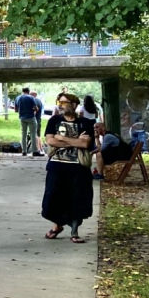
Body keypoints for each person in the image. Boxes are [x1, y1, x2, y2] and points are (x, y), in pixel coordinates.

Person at [41, 92, 98, 242]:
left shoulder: (85, 123)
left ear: (74, 104)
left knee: (77, 199)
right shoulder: (54, 120)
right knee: (53, 197)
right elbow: (50, 141)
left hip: (78, 167)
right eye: (59, 102)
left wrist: (62, 138)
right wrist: (75, 141)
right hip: (57, 166)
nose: (61, 105)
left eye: (64, 102)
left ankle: (74, 231)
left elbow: (85, 144)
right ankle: (57, 225)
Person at [15, 86, 40, 156]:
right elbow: (36, 108)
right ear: (28, 92)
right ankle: (34, 151)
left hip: (22, 118)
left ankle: (24, 151)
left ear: (22, 91)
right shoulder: (31, 97)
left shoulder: (18, 98)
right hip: (31, 117)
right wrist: (35, 110)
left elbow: (16, 110)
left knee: (23, 134)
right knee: (33, 134)